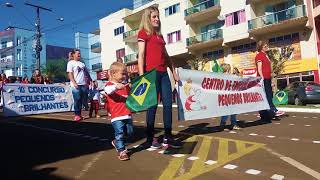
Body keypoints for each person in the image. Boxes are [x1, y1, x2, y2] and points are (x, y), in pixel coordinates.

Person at [137, 6, 181, 149]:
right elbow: (141, 55)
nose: (157, 19)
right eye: (154, 17)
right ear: (148, 19)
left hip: (163, 74)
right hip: (151, 74)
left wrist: (173, 71)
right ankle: (150, 137)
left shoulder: (160, 36)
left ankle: (167, 136)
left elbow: (166, 56)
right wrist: (142, 76)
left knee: (168, 105)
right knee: (152, 106)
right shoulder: (144, 33)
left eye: (158, 16)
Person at [104, 62, 133, 161]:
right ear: (113, 74)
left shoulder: (124, 85)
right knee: (119, 133)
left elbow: (130, 96)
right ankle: (121, 151)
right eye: (122, 74)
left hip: (127, 114)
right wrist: (116, 86)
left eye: (125, 74)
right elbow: (107, 90)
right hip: (117, 116)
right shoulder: (109, 85)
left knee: (129, 132)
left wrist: (131, 87)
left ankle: (116, 142)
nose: (124, 76)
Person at [255, 40, 285, 122]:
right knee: (267, 96)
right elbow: (259, 69)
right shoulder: (259, 56)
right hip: (263, 79)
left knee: (268, 95)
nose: (267, 47)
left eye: (267, 46)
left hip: (267, 78)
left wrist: (271, 81)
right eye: (265, 46)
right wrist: (262, 79)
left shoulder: (266, 55)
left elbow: (269, 69)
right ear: (261, 48)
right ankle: (273, 110)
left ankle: (265, 113)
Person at [67, 49, 92, 121]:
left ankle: (80, 115)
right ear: (73, 54)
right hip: (75, 85)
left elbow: (86, 73)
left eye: (79, 53)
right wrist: (74, 83)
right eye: (77, 53)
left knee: (82, 100)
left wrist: (90, 81)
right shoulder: (70, 63)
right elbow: (70, 73)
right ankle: (77, 115)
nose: (79, 54)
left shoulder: (82, 64)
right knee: (77, 99)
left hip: (84, 84)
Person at [219, 63, 241, 131]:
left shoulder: (230, 76)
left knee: (233, 111)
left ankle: (233, 124)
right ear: (227, 69)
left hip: (232, 96)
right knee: (226, 112)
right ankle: (222, 125)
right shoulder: (223, 76)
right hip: (226, 96)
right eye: (230, 68)